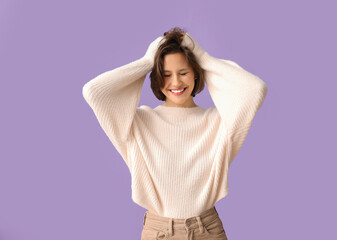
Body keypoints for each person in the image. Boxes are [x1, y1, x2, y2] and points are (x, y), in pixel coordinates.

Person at [82, 27, 268, 240]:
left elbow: (256, 89)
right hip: (158, 231)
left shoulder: (220, 122)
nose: (176, 83)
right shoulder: (137, 124)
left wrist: (202, 56)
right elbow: (93, 92)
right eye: (166, 75)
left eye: (183, 73)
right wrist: (147, 60)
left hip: (207, 230)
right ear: (157, 78)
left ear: (196, 74)